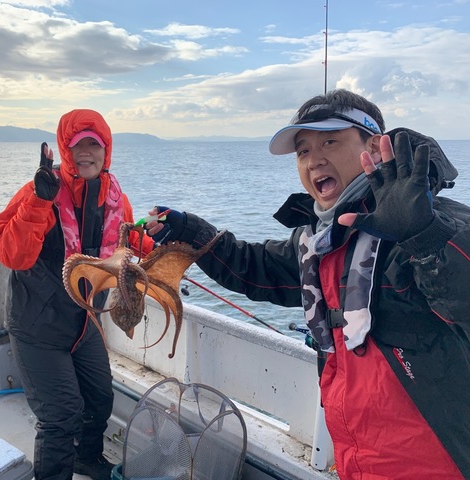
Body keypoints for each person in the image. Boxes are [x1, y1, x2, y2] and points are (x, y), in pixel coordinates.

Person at [144, 89, 470, 479]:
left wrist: (424, 234)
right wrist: (191, 232)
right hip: (356, 458)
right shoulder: (318, 243)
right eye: (302, 151)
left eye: (330, 141)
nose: (314, 159)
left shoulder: (436, 221)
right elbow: (255, 268)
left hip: (438, 462)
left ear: (374, 144)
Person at [0, 108, 154, 480]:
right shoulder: (41, 190)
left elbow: (127, 244)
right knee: (60, 416)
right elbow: (11, 254)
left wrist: (157, 237)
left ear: (106, 150)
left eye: (94, 145)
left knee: (99, 398)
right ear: (64, 149)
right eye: (77, 145)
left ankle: (87, 459)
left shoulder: (115, 198)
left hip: (84, 322)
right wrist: (38, 200)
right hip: (38, 327)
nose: (86, 153)